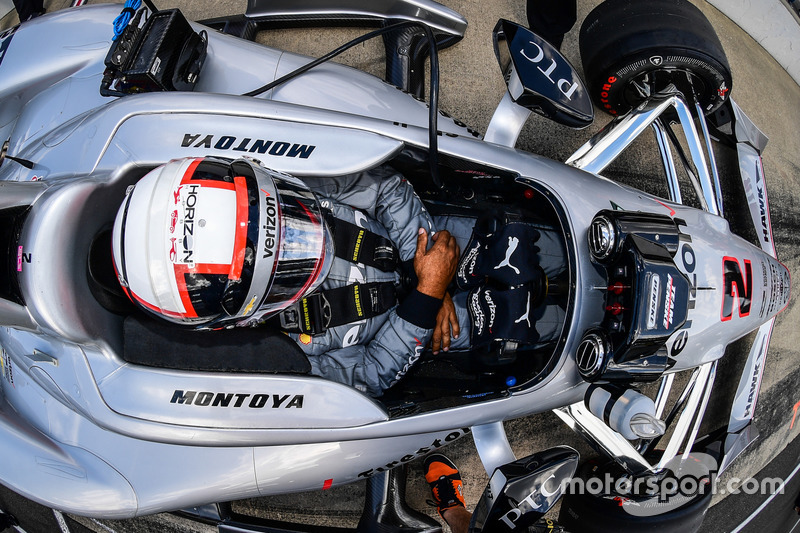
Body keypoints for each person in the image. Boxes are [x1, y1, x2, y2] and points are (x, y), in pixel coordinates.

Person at [111, 156, 460, 397]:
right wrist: (427, 295)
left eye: (282, 223)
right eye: (277, 262)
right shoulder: (282, 354)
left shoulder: (291, 186)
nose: (299, 247)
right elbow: (370, 374)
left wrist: (430, 268)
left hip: (427, 239)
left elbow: (385, 187)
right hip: (424, 330)